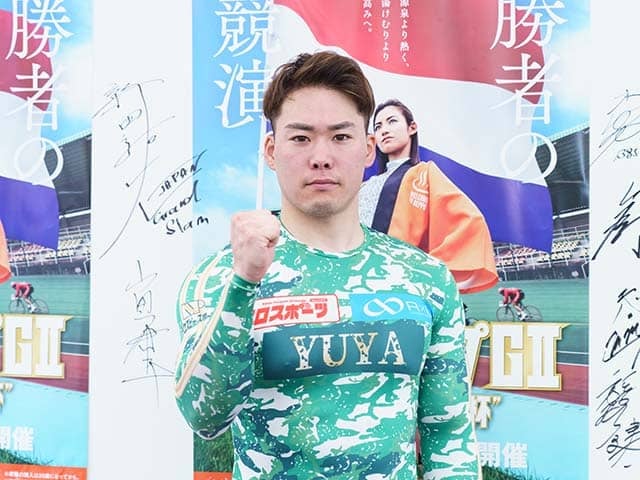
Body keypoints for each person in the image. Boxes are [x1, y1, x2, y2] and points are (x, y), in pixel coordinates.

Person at [174, 51, 480, 479]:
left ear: (368, 149)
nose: (321, 156)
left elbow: (447, 432)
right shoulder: (221, 276)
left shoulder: (424, 278)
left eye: (340, 137)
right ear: (271, 150)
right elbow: (205, 418)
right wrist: (244, 283)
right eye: (301, 138)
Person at [359, 98, 497, 294]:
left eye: (392, 121)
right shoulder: (365, 185)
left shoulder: (424, 174)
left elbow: (470, 221)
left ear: (412, 128)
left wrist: (423, 270)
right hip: (358, 280)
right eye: (378, 126)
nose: (384, 130)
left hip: (397, 285)